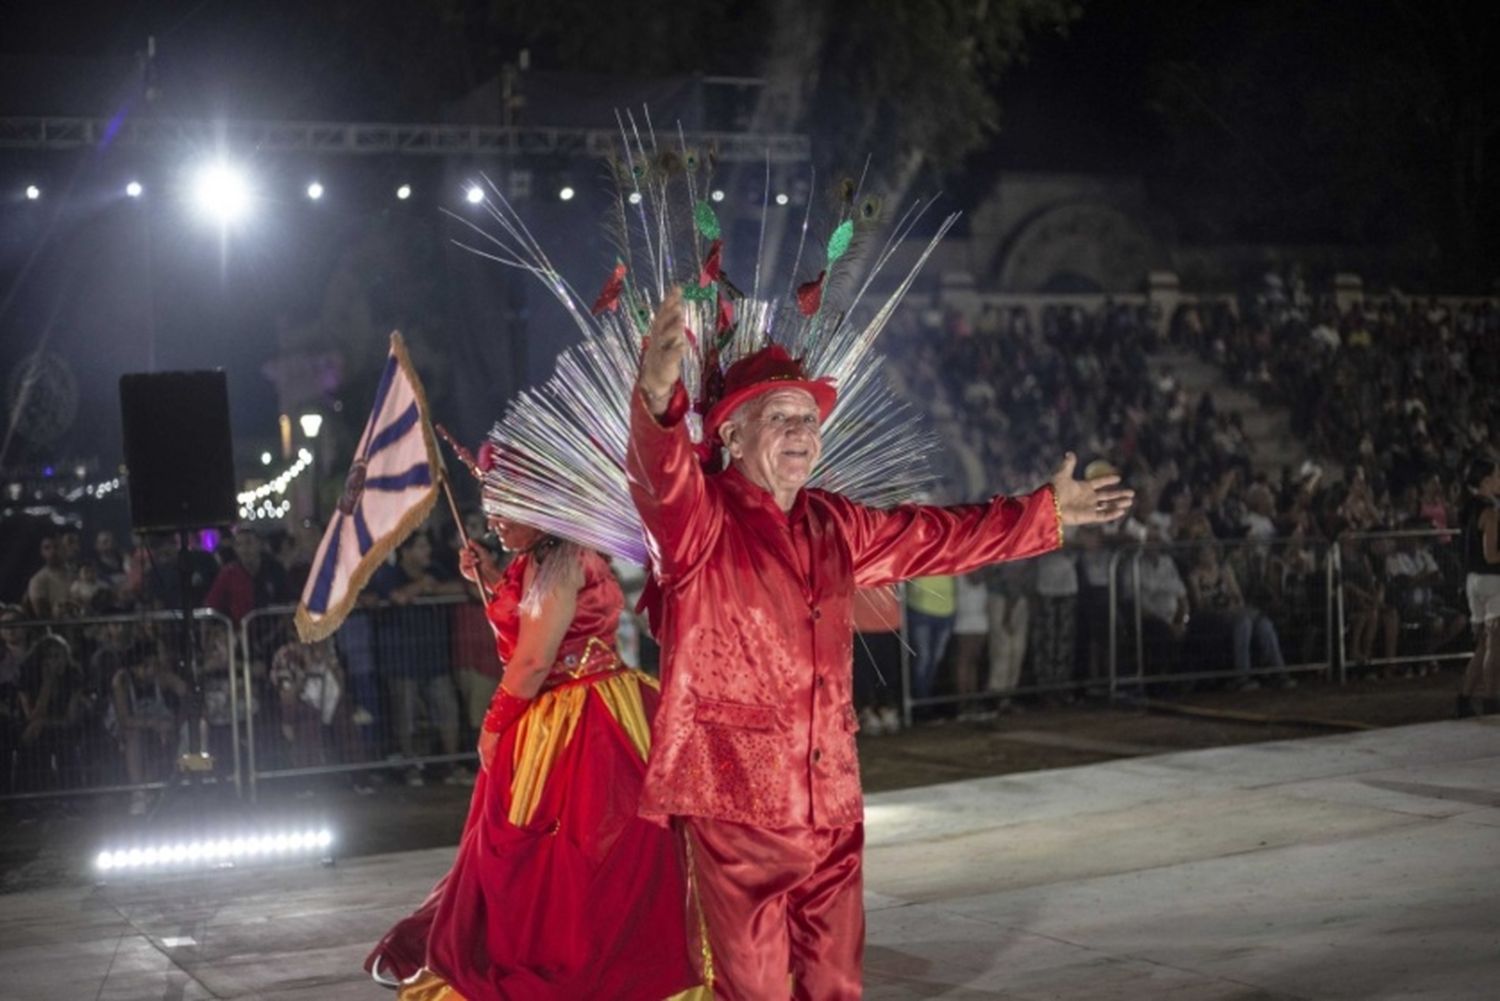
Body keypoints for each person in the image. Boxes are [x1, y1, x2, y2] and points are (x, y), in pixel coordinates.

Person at [627, 289, 1132, 998]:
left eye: (808, 419)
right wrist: (656, 398)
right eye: (781, 418)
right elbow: (662, 481)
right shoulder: (700, 525)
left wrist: (1043, 511)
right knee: (757, 989)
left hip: (832, 801)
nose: (802, 430)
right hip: (737, 807)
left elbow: (939, 537)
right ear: (733, 437)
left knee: (837, 984)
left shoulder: (834, 521)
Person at [366, 514, 702, 1000]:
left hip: (574, 720)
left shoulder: (561, 565)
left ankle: (577, 952)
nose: (494, 522)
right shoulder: (553, 558)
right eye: (491, 508)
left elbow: (533, 661)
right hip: (600, 705)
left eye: (507, 509)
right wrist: (486, 578)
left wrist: (493, 724)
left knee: (570, 850)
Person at [1457, 457, 1500, 716]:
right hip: (1493, 580)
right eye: (1496, 475)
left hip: (1473, 580)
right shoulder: (1489, 512)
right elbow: (1491, 556)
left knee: (1482, 645)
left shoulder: (1470, 508)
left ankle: (1464, 699)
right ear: (1485, 481)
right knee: (1494, 646)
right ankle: (1491, 699)